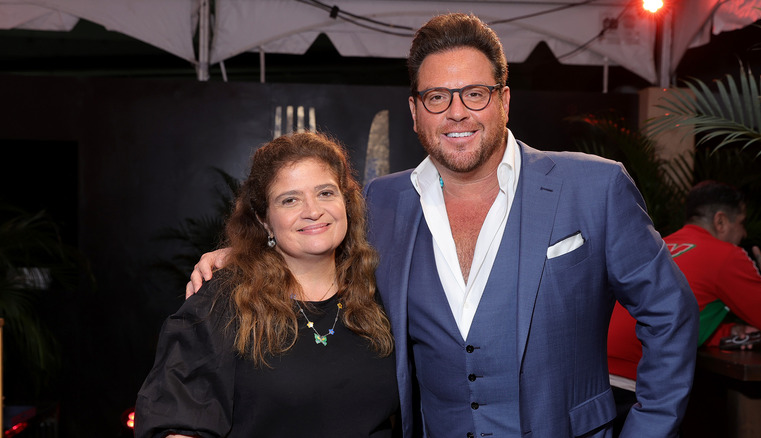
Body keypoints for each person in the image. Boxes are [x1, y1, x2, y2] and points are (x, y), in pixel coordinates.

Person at [187, 13, 698, 437]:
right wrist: (244, 253)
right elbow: (318, 245)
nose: (457, 113)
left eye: (474, 93)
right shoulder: (384, 201)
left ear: (503, 99)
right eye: (437, 97)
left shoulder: (594, 187)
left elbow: (670, 315)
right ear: (415, 111)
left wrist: (648, 432)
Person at [135, 131, 399, 438]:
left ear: (346, 202)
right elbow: (180, 423)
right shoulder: (224, 301)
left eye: (326, 193)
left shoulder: (379, 290)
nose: (313, 211)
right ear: (264, 220)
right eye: (290, 200)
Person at [608, 180, 761, 432]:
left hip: (591, 377)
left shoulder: (658, 244)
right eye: (741, 223)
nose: (744, 234)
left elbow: (673, 311)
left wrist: (722, 333)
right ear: (720, 221)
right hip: (633, 385)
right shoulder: (725, 255)